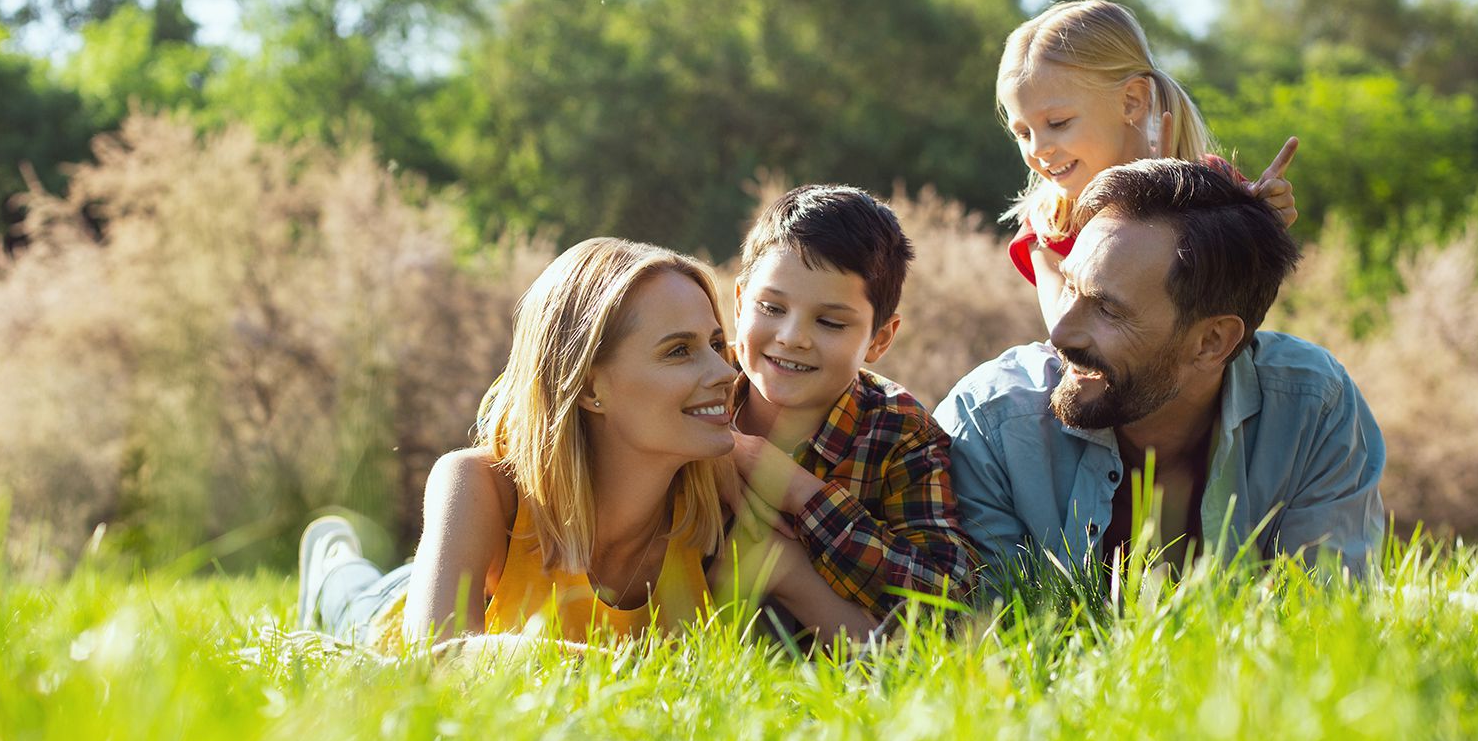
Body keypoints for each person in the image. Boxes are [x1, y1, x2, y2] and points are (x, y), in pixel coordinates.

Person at [937, 160, 1385, 589]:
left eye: (1108, 310)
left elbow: (1321, 627)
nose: (1060, 333)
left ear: (1212, 342)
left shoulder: (1313, 407)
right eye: (1070, 286)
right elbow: (990, 642)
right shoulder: (987, 424)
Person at [297, 237, 744, 651]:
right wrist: (608, 669)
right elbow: (434, 657)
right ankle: (332, 563)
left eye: (717, 343)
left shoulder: (711, 508)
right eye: (679, 350)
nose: (725, 373)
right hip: (389, 610)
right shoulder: (479, 484)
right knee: (349, 599)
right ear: (590, 389)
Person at [718, 184, 978, 638]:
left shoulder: (900, 431)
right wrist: (723, 446)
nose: (792, 337)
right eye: (771, 308)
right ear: (740, 303)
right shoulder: (699, 389)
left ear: (879, 339)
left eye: (830, 322)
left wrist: (801, 492)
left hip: (842, 672)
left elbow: (949, 602)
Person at [998, 0, 1301, 331]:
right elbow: (1068, 333)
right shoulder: (1052, 226)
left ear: (1131, 100)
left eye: (1057, 123)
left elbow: (1242, 303)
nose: (1038, 149)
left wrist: (1260, 226)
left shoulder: (1212, 187)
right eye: (1023, 133)